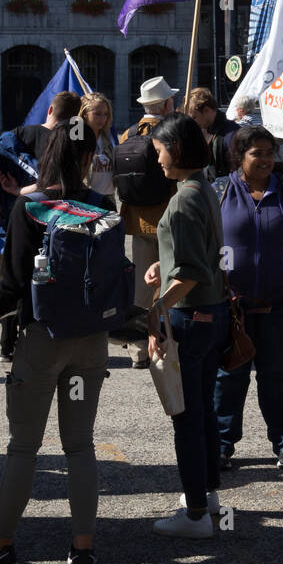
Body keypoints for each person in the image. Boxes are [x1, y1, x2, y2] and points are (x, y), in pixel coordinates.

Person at [0, 121, 111, 564]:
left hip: (43, 337)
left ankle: (0, 546)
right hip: (91, 339)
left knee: (24, 447)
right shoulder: (102, 205)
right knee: (80, 445)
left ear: (45, 157)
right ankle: (83, 549)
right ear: (88, 158)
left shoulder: (30, 207)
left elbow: (14, 284)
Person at [146, 114, 230, 538]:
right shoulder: (203, 187)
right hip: (212, 313)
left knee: (185, 415)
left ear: (175, 150)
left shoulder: (183, 198)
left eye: (159, 149)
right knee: (202, 411)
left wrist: (154, 310)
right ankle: (208, 495)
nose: (156, 158)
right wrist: (165, 265)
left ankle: (195, 513)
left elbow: (193, 271)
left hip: (191, 317)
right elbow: (200, 254)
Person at [213, 126, 283, 471]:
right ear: (240, 156)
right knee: (229, 377)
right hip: (231, 305)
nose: (267, 159)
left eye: (271, 152)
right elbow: (203, 238)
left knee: (278, 375)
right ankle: (222, 443)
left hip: (279, 302)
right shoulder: (219, 191)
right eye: (258, 153)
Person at [0, 90, 82, 364]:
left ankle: (7, 344)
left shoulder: (19, 133)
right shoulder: (67, 142)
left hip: (19, 214)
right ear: (75, 119)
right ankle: (46, 332)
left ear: (50, 109)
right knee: (45, 275)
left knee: (14, 273)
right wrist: (21, 190)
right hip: (52, 216)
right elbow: (54, 182)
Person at [119, 77, 178, 369]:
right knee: (172, 281)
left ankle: (139, 347)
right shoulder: (171, 133)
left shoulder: (128, 134)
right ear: (167, 104)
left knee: (142, 286)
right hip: (168, 216)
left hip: (136, 217)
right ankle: (169, 339)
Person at [184, 87, 239, 183]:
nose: (193, 122)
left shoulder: (232, 135)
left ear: (206, 110)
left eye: (194, 117)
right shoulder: (205, 131)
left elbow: (239, 172)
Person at [80, 92, 116, 205]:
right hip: (86, 200)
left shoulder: (109, 139)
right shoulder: (77, 140)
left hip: (108, 199)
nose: (103, 118)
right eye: (97, 114)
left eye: (105, 114)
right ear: (85, 114)